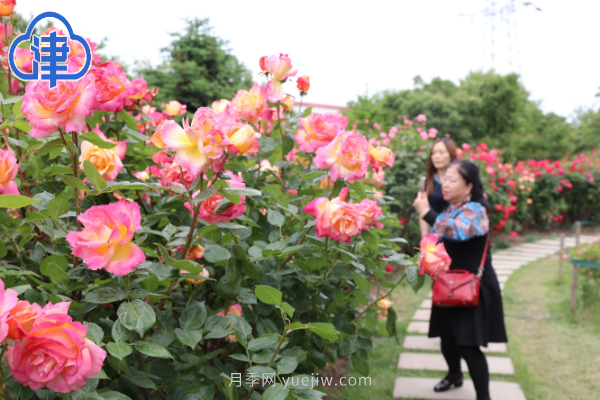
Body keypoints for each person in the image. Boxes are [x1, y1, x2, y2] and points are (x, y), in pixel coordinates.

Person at [412, 159, 507, 400]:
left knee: (468, 345)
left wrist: (426, 212)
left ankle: (483, 397)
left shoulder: (476, 209)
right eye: (445, 179)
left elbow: (457, 231)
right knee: (446, 338)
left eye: (453, 180)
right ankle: (454, 375)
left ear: (468, 186)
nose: (445, 184)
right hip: (447, 285)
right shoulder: (450, 207)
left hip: (471, 286)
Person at [417, 138, 457, 238]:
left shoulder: (459, 181)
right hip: (435, 234)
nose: (437, 156)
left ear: (451, 155)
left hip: (456, 232)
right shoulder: (427, 182)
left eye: (441, 152)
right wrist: (425, 239)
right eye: (434, 153)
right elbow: (423, 212)